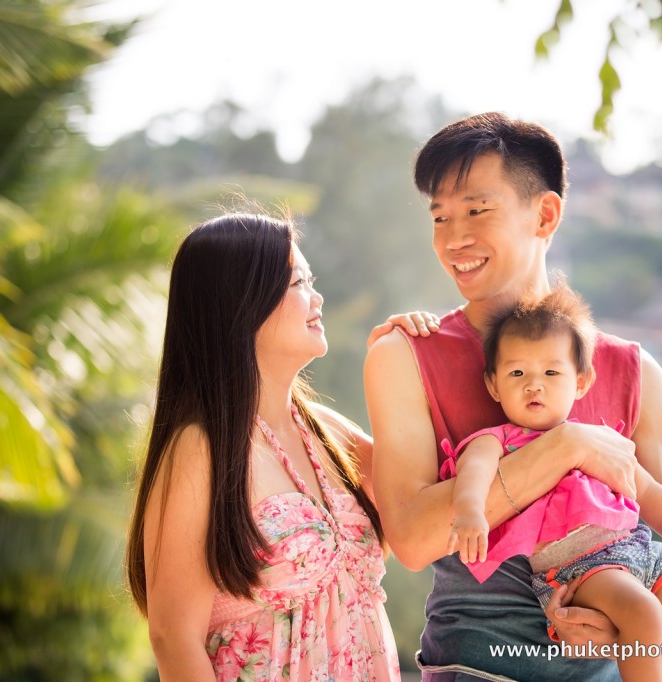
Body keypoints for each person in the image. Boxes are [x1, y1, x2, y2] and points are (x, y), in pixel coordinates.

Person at [364, 112, 662, 681]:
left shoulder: (634, 372)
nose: (455, 238)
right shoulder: (406, 356)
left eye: (478, 210)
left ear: (545, 214)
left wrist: (626, 625)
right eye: (440, 217)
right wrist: (566, 445)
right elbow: (409, 539)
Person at [125, 211, 438, 681]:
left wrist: (412, 361)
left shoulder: (325, 431)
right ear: (240, 304)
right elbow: (173, 638)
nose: (318, 297)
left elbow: (429, 500)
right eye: (298, 283)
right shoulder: (201, 448)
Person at [443, 283, 662, 681]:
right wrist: (469, 512)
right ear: (493, 383)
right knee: (643, 612)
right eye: (517, 372)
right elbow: (474, 472)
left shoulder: (600, 441)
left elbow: (646, 488)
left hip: (636, 549)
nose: (534, 384)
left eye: (551, 372)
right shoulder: (500, 441)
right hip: (576, 570)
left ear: (581, 381)